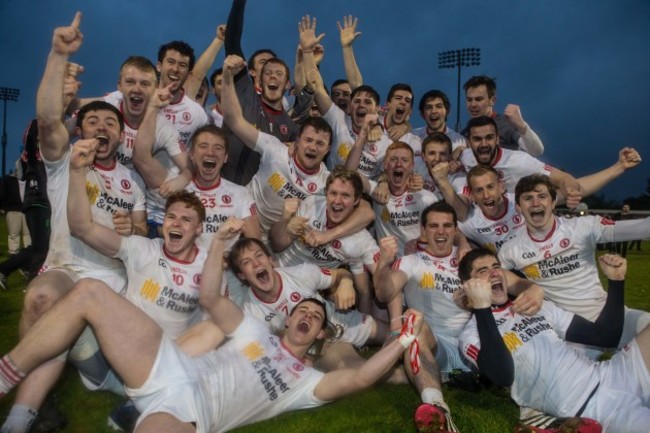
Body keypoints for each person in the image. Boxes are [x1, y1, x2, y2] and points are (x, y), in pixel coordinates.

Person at [0, 217, 428, 432]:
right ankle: (5, 377)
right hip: (166, 364)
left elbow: (361, 378)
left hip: (190, 411)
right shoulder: (255, 329)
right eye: (304, 310)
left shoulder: (306, 383)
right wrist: (219, 242)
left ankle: (132, 412)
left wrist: (402, 337)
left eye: (316, 318)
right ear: (289, 317)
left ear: (319, 336)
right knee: (90, 290)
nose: (309, 315)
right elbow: (208, 298)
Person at [1, 13, 148, 433]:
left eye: (112, 124)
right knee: (40, 299)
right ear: (79, 129)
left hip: (112, 278)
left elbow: (139, 231)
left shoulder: (131, 179)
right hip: (67, 268)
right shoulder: (64, 162)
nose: (104, 127)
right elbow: (48, 118)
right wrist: (58, 54)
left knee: (95, 352)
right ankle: (21, 417)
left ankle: (59, 383)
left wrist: (130, 228)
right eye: (94, 121)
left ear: (121, 138)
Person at [458, 250, 650, 433]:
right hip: (591, 407)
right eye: (483, 271)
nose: (494, 273)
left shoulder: (533, 306)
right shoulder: (471, 334)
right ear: (468, 284)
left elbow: (604, 336)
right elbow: (502, 375)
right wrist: (481, 307)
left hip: (613, 373)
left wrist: (616, 282)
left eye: (496, 266)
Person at [374, 202, 543, 380]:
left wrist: (534, 289)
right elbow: (384, 293)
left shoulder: (468, 258)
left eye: (447, 226)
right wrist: (384, 265)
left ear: (455, 230)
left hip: (474, 341)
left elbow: (515, 283)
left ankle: (447, 375)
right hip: (434, 344)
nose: (441, 231)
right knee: (414, 328)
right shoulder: (410, 261)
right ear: (423, 231)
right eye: (433, 226)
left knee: (393, 375)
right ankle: (440, 383)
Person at [220, 53, 373, 246]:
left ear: (328, 150)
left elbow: (366, 209)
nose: (312, 147)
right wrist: (227, 77)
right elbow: (234, 120)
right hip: (239, 224)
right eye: (308, 140)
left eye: (320, 144)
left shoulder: (325, 181)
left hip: (278, 244)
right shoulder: (274, 149)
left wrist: (361, 139)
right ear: (296, 141)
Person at [498, 174, 650, 348]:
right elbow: (496, 278)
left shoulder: (583, 227)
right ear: (518, 207)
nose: (535, 203)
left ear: (553, 202)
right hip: (568, 330)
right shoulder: (510, 249)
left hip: (607, 313)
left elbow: (642, 228)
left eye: (542, 196)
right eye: (527, 198)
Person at [220, 0, 299, 185]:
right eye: (268, 73)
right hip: (222, 188)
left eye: (279, 74)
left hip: (256, 204)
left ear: (287, 84)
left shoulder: (291, 127)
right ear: (259, 80)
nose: (272, 77)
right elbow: (232, 40)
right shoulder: (244, 92)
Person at [462, 75, 544, 156]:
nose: (473, 104)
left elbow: (536, 151)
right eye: (469, 100)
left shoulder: (506, 124)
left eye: (478, 99)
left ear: (493, 100)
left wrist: (521, 125)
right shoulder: (465, 132)